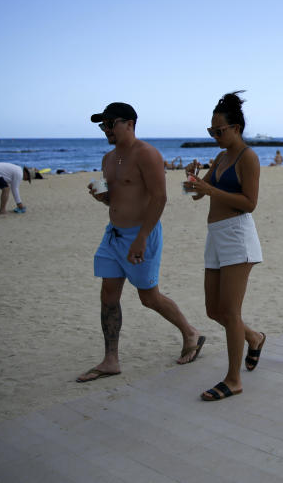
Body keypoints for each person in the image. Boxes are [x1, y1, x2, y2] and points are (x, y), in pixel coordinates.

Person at [78, 102, 204, 383]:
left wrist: (142, 238)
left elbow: (160, 198)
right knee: (108, 295)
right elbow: (116, 197)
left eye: (110, 124)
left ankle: (190, 332)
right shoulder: (108, 158)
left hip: (141, 235)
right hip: (113, 235)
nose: (106, 130)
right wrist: (102, 198)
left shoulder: (147, 154)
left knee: (149, 297)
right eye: (103, 125)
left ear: (130, 123)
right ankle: (111, 359)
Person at [185, 92, 266, 401]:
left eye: (219, 130)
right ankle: (254, 338)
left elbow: (250, 203)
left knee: (230, 312)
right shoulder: (220, 158)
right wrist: (192, 180)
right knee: (213, 310)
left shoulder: (248, 157)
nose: (215, 135)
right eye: (211, 131)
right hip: (215, 234)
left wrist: (208, 189)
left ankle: (233, 380)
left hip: (237, 234)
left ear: (236, 127)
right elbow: (196, 194)